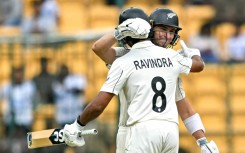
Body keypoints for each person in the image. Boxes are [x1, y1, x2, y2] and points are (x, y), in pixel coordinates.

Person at [62, 7, 209, 153]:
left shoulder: (126, 59)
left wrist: (78, 125)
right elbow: (98, 48)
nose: (167, 36)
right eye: (163, 30)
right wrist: (194, 55)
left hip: (137, 130)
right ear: (149, 29)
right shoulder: (172, 58)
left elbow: (185, 108)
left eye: (171, 32)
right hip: (169, 132)